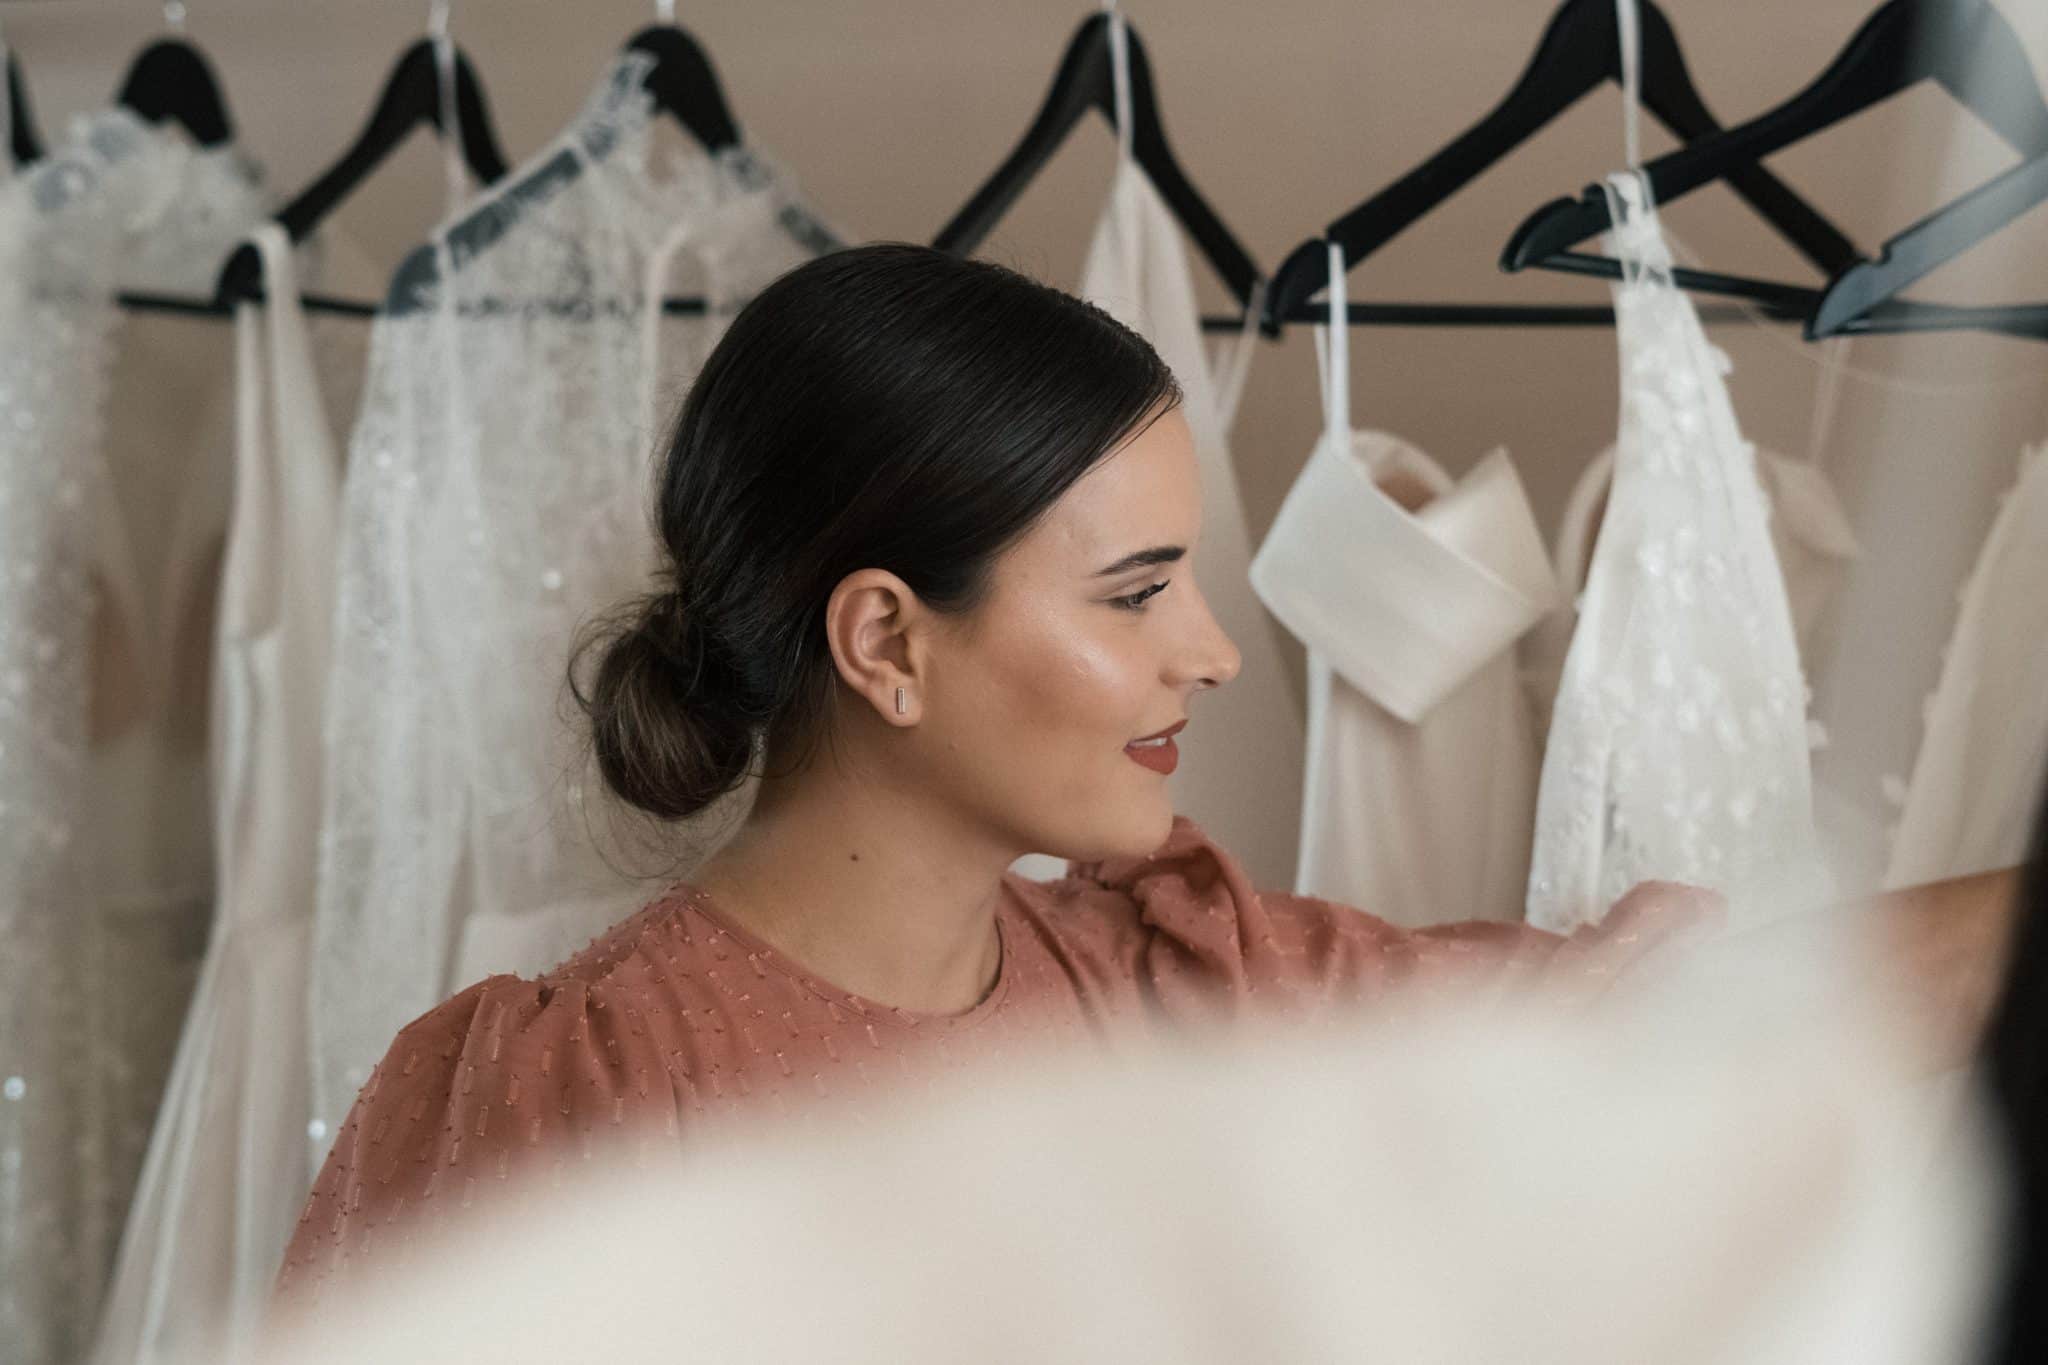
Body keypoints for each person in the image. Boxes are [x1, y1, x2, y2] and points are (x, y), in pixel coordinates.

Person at [275, 244, 2015, 1307]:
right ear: (888, 642)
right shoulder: (572, 1094)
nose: (1214, 649)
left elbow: (1674, 1020)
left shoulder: (1183, 980)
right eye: (1133, 594)